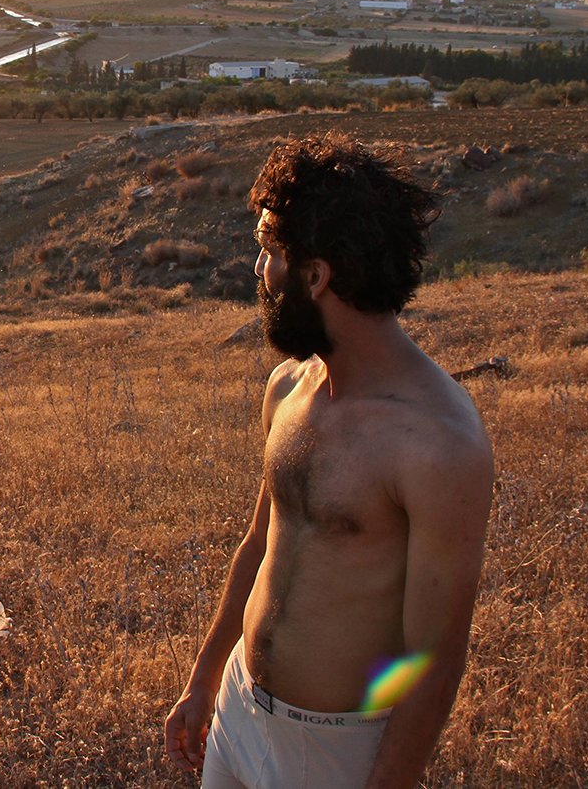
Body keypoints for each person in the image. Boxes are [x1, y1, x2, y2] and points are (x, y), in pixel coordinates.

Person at [164, 134, 494, 789]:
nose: (258, 271)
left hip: (332, 753)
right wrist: (203, 680)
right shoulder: (288, 387)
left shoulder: (438, 444)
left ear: (316, 275)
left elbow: (435, 664)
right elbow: (260, 544)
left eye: (269, 252)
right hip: (238, 712)